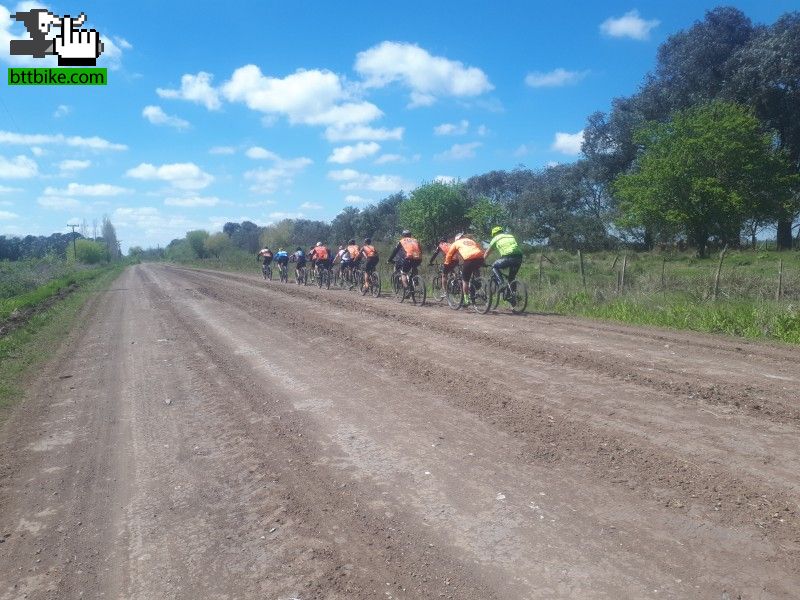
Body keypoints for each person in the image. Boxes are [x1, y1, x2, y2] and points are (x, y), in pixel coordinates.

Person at [444, 233, 484, 305]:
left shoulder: (456, 243)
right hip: (480, 258)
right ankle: (477, 283)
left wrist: (447, 263)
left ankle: (466, 300)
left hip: (469, 259)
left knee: (465, 280)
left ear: (457, 239)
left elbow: (449, 254)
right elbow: (478, 249)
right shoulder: (471, 241)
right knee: (475, 269)